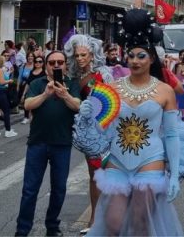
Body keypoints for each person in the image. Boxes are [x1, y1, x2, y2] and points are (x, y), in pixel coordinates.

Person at [86, 9, 184, 236]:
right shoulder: (112, 88)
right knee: (113, 223)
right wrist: (88, 114)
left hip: (150, 161)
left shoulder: (165, 91)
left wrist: (175, 176)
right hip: (117, 162)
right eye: (131, 55)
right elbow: (99, 127)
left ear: (152, 58)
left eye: (141, 56)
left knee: (141, 223)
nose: (135, 61)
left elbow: (171, 135)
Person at [15, 50, 81, 237]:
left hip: (62, 143)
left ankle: (52, 226)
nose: (56, 65)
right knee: (30, 189)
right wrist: (46, 94)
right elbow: (27, 105)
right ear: (46, 66)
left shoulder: (71, 84)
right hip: (38, 143)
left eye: (60, 62)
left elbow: (78, 106)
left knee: (59, 189)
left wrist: (65, 95)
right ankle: (22, 230)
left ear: (65, 64)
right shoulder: (37, 83)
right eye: (52, 63)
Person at [63, 34, 113, 235]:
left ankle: (105, 220)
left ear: (92, 55)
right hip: (87, 133)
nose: (80, 59)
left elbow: (111, 103)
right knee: (93, 176)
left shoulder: (103, 74)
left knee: (104, 175)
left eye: (84, 55)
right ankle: (95, 217)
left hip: (103, 131)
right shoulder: (74, 77)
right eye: (77, 56)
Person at [19, 55, 46, 125]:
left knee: (37, 113)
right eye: (36, 61)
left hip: (40, 94)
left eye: (40, 62)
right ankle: (27, 119)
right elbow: (28, 83)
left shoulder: (44, 73)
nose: (38, 63)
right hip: (31, 93)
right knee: (29, 108)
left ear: (43, 63)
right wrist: (23, 94)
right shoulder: (31, 72)